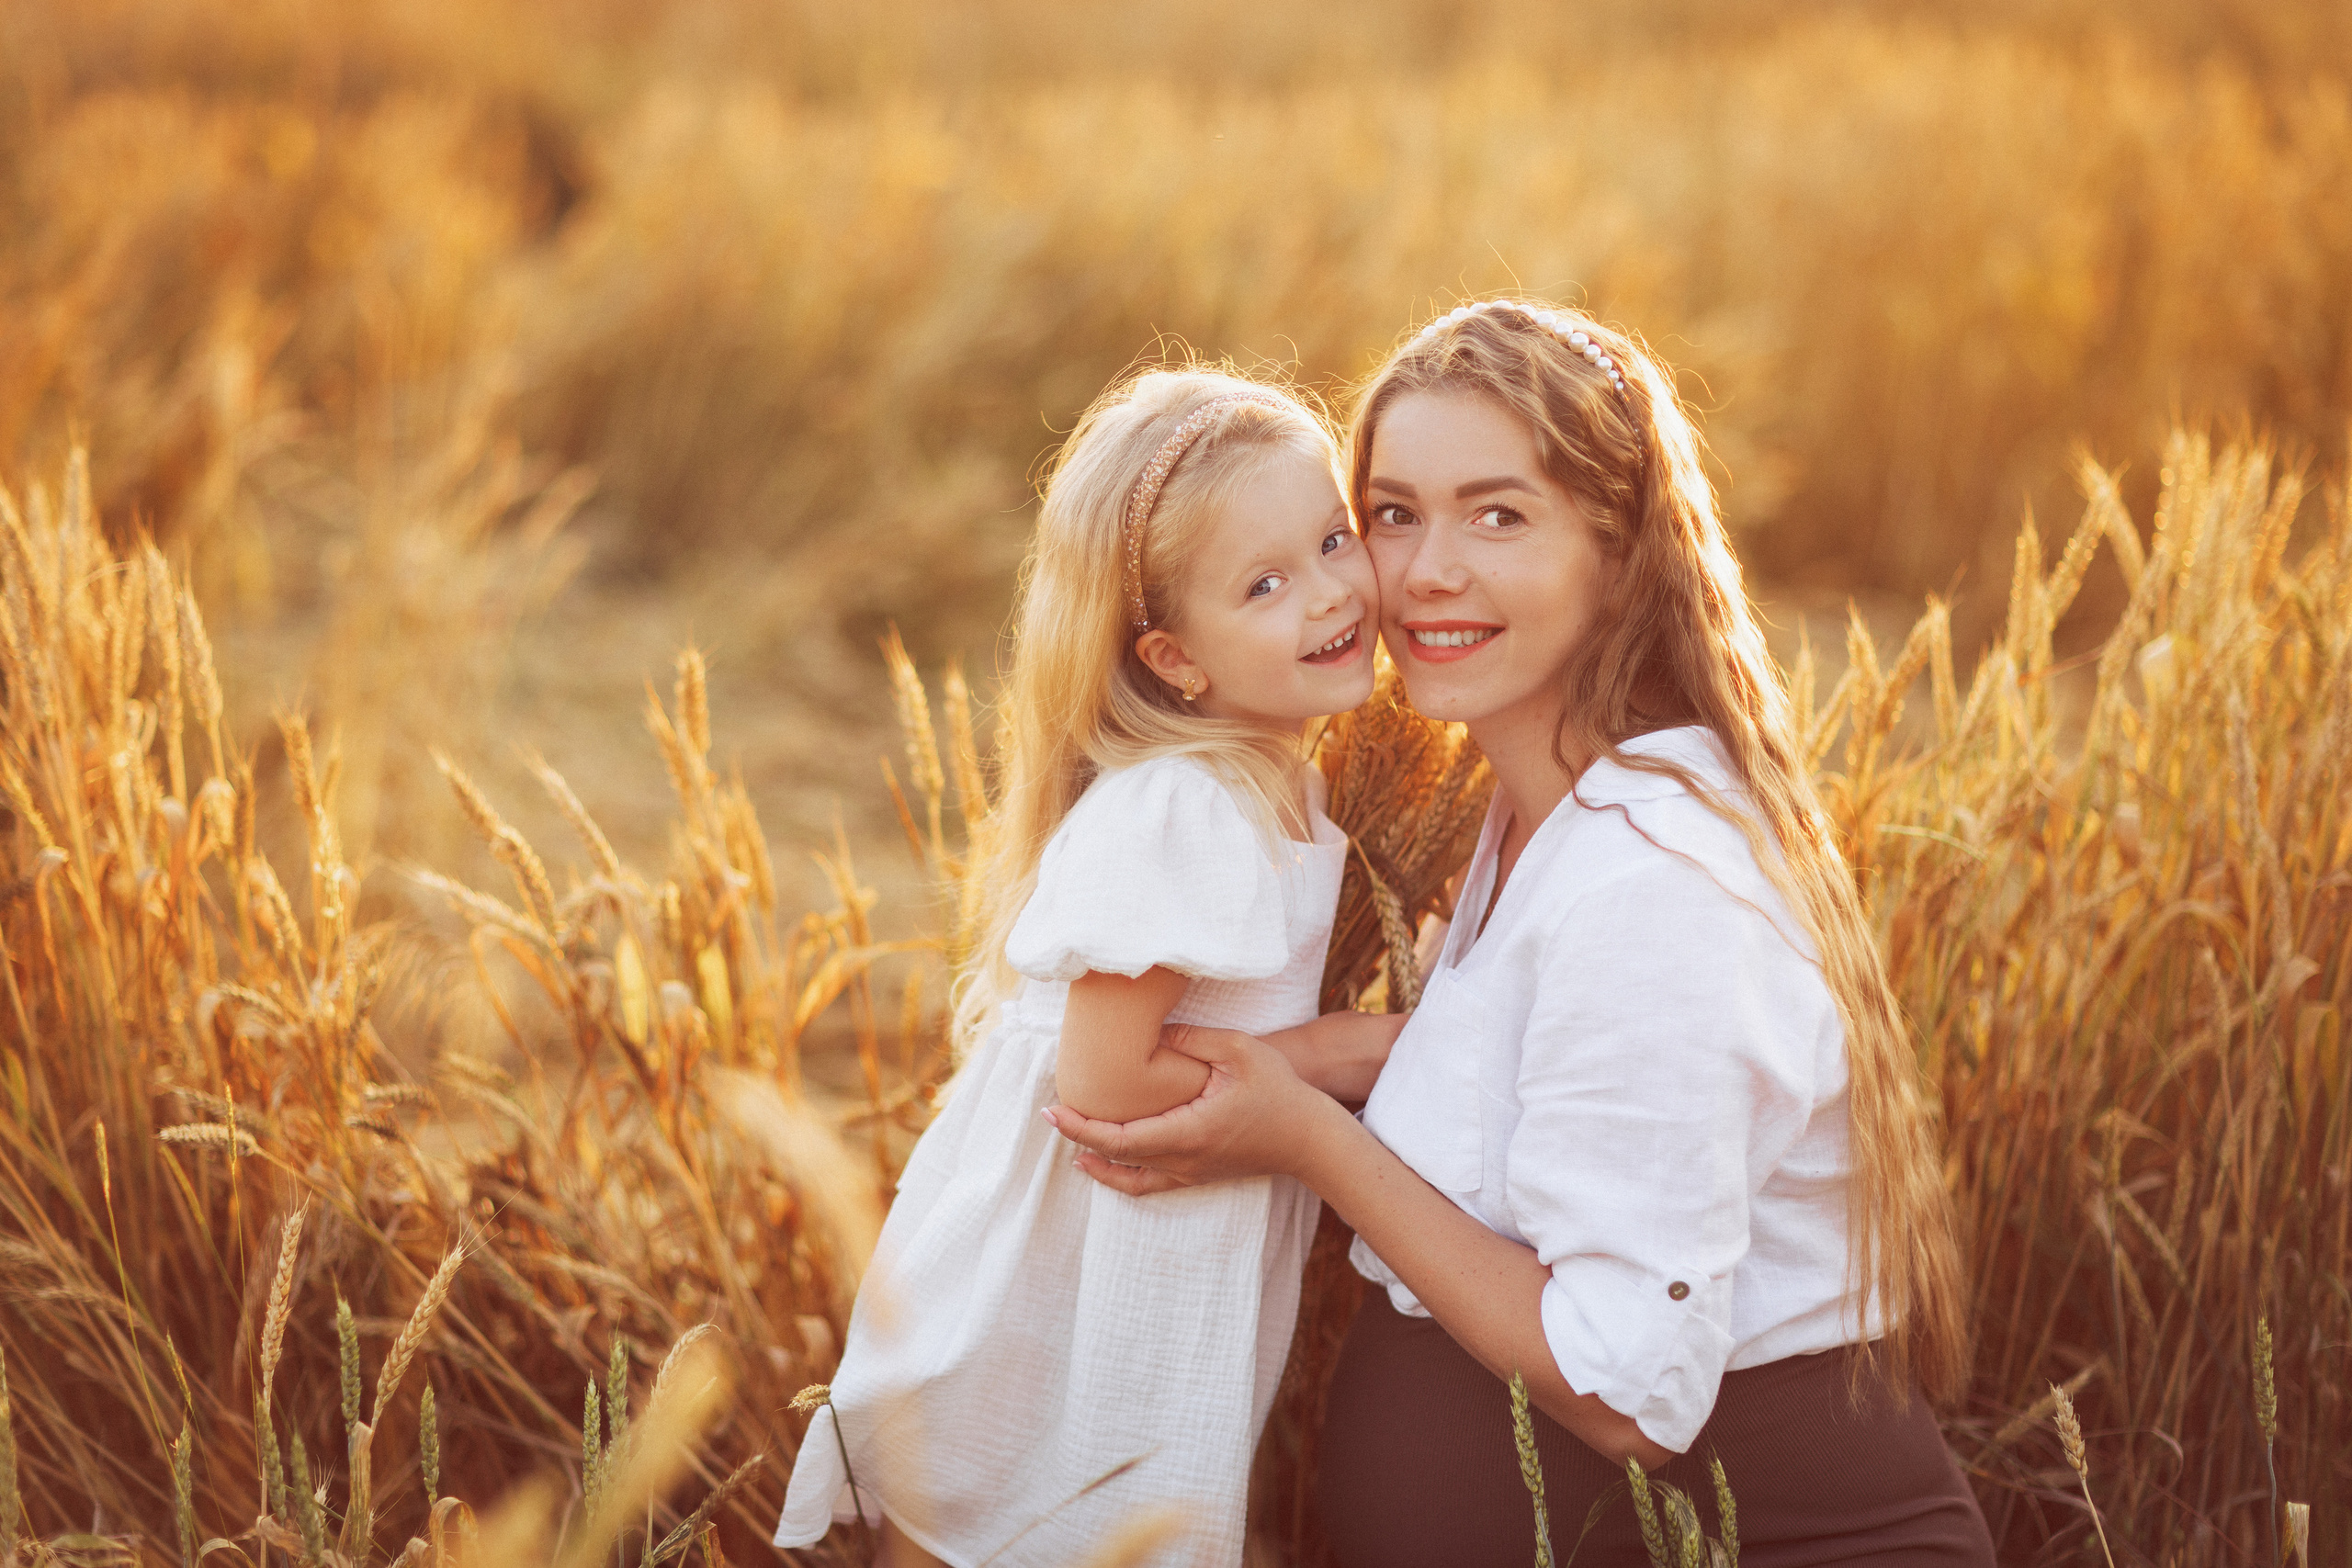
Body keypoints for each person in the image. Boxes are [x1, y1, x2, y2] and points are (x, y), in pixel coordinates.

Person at [1046, 301, 1997, 1565]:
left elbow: (1622, 1392)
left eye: (1499, 515)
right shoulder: (1534, 816)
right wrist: (1319, 1062)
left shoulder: (1655, 882)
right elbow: (1529, 1075)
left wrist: (1309, 1139)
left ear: (1621, 549)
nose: (1428, 570)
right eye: (1391, 514)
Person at [774, 367, 1407, 1568]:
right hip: (1061, 1281)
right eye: (1265, 584)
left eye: (1332, 540)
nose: (1331, 595)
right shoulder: (1185, 805)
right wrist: (1327, 1055)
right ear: (1173, 659)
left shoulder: (1273, 777)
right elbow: (1105, 1089)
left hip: (1143, 1251)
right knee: (1021, 1521)